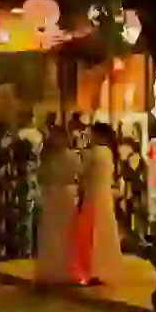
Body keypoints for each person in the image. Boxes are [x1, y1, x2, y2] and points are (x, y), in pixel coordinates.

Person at [72, 122, 124, 285]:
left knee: (91, 232)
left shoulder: (93, 153)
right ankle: (101, 268)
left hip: (93, 194)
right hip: (105, 194)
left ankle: (90, 269)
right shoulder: (108, 153)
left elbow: (81, 171)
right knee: (104, 230)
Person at [35, 126, 80, 287]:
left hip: (62, 195)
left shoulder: (67, 156)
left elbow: (76, 175)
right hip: (56, 195)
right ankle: (55, 269)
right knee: (53, 233)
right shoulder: (51, 157)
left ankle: (63, 269)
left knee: (64, 233)